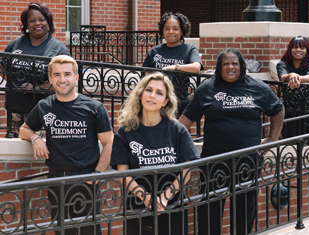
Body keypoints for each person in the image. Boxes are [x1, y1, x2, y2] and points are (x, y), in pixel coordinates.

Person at [179, 47, 285, 234]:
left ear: (242, 66)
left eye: (234, 63)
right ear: (219, 67)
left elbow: (278, 109)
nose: (230, 67)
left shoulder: (257, 87)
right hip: (214, 160)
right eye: (225, 63)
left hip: (247, 161)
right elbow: (183, 123)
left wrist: (272, 138)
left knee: (245, 208)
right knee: (210, 208)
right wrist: (180, 147)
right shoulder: (207, 88)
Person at [19, 55, 114, 235]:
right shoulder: (44, 106)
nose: (62, 79)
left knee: (89, 232)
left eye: (67, 74)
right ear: (50, 79)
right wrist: (35, 138)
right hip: (56, 181)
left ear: (76, 77)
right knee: (61, 231)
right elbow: (24, 130)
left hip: (86, 180)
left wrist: (98, 174)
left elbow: (109, 143)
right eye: (57, 75)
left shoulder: (94, 107)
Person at [110, 72, 200, 235]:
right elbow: (123, 173)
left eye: (159, 93)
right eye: (149, 90)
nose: (152, 96)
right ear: (140, 94)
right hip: (138, 206)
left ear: (165, 101)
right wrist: (145, 197)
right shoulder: (125, 132)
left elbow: (187, 169)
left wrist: (165, 197)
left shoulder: (177, 129)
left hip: (173, 206)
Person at [2, 2, 70, 137]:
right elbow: (2, 67)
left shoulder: (57, 49)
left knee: (40, 151)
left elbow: (65, 82)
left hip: (43, 113)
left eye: (41, 19)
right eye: (32, 20)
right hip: (15, 110)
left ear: (48, 21)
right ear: (26, 25)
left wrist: (36, 88)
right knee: (15, 151)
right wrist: (13, 83)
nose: (37, 23)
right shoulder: (16, 44)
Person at [142, 12, 203, 116]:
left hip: (180, 101)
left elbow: (196, 67)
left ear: (182, 31)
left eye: (175, 28)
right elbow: (145, 75)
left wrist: (176, 67)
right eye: (167, 28)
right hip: (157, 101)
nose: (171, 32)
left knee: (177, 131)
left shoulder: (189, 49)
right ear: (162, 31)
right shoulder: (154, 51)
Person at [277, 36, 309, 138]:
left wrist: (296, 77)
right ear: (290, 49)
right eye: (295, 47)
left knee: (308, 143)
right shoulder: (283, 64)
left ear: (307, 50)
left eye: (302, 47)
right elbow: (283, 77)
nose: (298, 50)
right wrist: (291, 75)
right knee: (289, 141)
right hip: (289, 109)